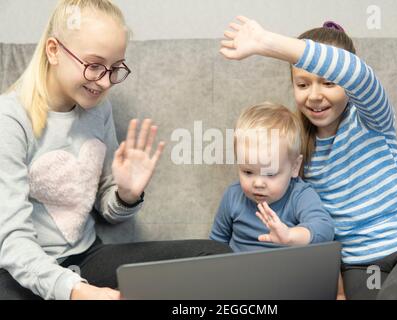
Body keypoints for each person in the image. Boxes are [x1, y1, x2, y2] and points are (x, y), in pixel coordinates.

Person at [0, 0, 230, 300]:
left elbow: (107, 208)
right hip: (21, 272)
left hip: (86, 257)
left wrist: (126, 194)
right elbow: (12, 241)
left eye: (115, 68)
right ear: (54, 50)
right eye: (94, 65)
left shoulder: (99, 110)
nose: (106, 81)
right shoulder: (10, 119)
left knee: (214, 257)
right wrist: (76, 292)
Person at [219, 16, 397, 299]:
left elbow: (357, 73)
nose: (314, 96)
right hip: (361, 266)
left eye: (328, 82)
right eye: (302, 85)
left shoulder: (371, 118)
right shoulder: (295, 152)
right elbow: (310, 225)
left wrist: (266, 42)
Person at [210, 102, 334, 252]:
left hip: (284, 273)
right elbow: (216, 243)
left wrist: (289, 236)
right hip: (239, 272)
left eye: (270, 173)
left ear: (294, 167)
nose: (258, 183)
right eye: (248, 172)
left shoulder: (299, 195)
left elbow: (325, 228)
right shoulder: (233, 196)